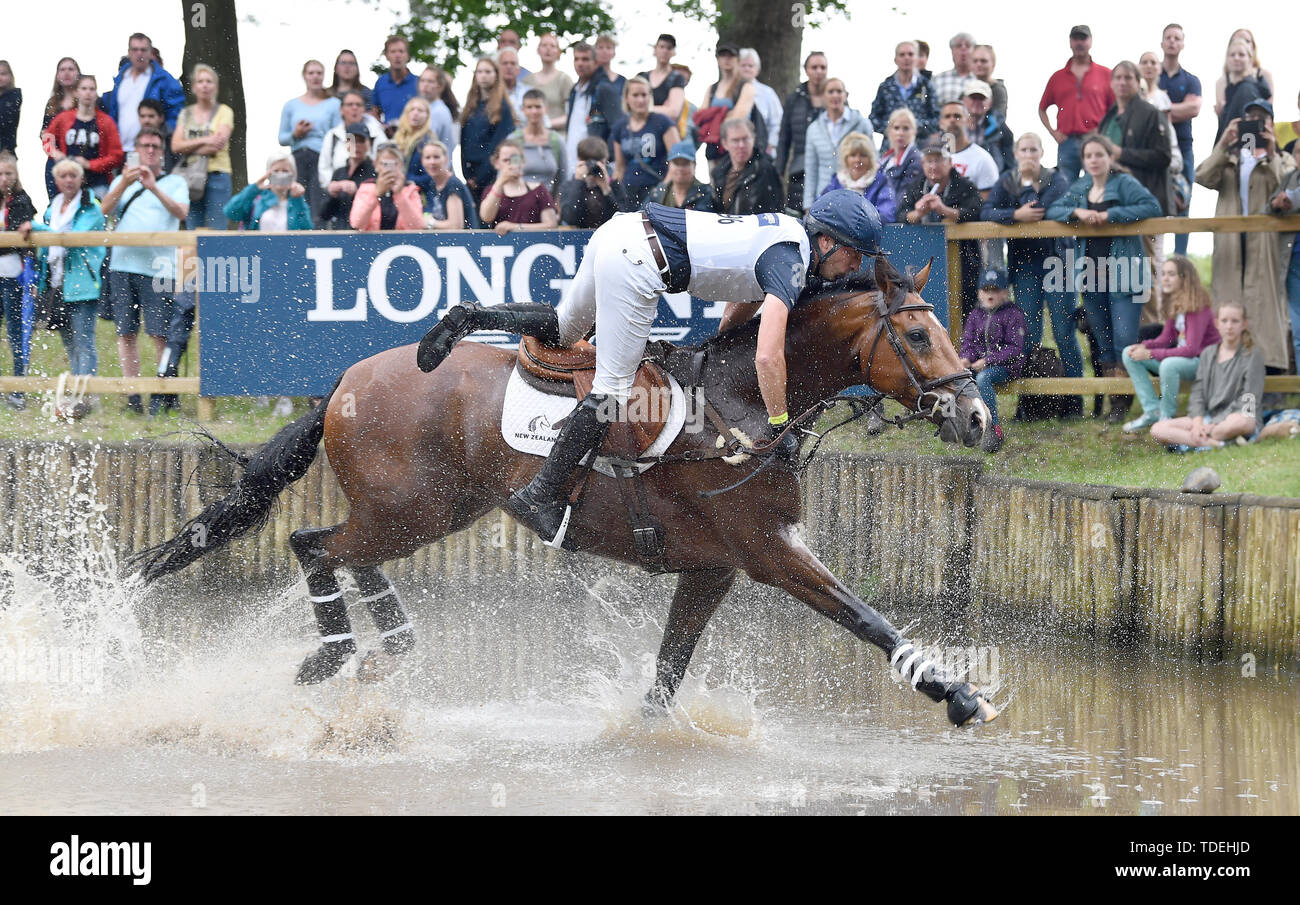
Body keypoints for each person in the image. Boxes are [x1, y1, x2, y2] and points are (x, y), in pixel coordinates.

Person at [458, 189, 885, 547]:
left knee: (564, 327)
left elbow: (741, 302)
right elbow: (768, 355)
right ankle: (542, 494)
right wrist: (779, 423)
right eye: (853, 254)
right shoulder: (793, 262)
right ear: (827, 241)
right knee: (613, 389)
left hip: (621, 231)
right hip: (641, 262)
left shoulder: (787, 237)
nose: (855, 267)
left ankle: (477, 316)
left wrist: (720, 345)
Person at [1047, 133, 1162, 422]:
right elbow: (1054, 209)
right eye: (1089, 156)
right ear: (1084, 161)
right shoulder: (1083, 185)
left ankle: (1126, 403)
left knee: (1125, 341)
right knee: (1104, 341)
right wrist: (1078, 211)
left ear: (1110, 157)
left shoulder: (1125, 183)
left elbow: (1151, 207)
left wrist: (1111, 214)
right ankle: (1114, 402)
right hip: (1091, 276)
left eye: (1099, 155)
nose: (1094, 160)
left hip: (1125, 275)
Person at [980, 132, 1083, 395]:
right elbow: (987, 211)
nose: (1028, 155)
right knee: (1029, 333)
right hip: (1025, 264)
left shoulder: (1055, 178)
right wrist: (1014, 214)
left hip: (1058, 262)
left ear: (1041, 153)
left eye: (1033, 150)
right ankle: (1030, 401)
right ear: (1015, 154)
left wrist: (1025, 189)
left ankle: (1074, 401)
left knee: (1064, 333)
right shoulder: (1006, 181)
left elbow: (1041, 210)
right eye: (1023, 150)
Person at [1196, 99, 1292, 375]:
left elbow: (1287, 187)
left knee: (1265, 305)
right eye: (1250, 117)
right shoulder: (1230, 159)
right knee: (1229, 300)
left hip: (1265, 245)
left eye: (1263, 119)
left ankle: (1270, 370)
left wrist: (1271, 154)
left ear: (1271, 125)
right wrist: (1224, 144)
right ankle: (1226, 369)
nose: (1256, 123)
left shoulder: (1280, 158)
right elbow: (1202, 176)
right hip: (1230, 243)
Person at [100, 127, 188, 416]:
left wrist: (153, 187)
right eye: (144, 145)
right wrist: (125, 183)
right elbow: (105, 209)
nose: (150, 150)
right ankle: (133, 395)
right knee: (126, 332)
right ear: (136, 150)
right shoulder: (123, 181)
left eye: (155, 145)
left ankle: (167, 390)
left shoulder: (175, 181)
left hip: (159, 267)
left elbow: (181, 212)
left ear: (162, 151)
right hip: (122, 265)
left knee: (159, 333)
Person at [1120, 255, 1221, 432]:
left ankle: (1166, 416)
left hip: (1204, 363)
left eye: (1171, 274)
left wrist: (1151, 354)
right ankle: (1152, 411)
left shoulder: (1198, 306)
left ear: (1185, 278)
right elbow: (1166, 339)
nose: (1165, 278)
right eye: (1163, 273)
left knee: (1168, 365)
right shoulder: (1175, 303)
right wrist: (1145, 346)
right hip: (1185, 361)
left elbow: (1191, 349)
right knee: (1129, 353)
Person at [33, 159, 106, 400]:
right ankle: (76, 394)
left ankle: (88, 396)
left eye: (72, 175)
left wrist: (36, 229)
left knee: (84, 340)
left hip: (82, 281)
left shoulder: (91, 206)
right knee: (69, 342)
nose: (68, 180)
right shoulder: (52, 208)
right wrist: (40, 281)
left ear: (80, 178)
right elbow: (45, 250)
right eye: (63, 176)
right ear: (56, 180)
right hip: (57, 281)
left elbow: (72, 237)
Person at [1150, 301, 1265, 450]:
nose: (1229, 326)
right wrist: (1198, 422)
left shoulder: (1252, 354)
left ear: (1244, 324)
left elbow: (1250, 397)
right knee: (1158, 429)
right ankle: (1216, 443)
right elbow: (1198, 392)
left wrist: (1216, 424)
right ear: (1217, 323)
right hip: (1209, 417)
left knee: (1244, 422)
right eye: (1224, 321)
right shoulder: (1208, 353)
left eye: (1235, 321)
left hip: (1236, 416)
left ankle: (1199, 439)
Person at [899, 135, 982, 317]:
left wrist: (944, 209)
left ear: (950, 162)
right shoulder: (915, 187)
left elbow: (975, 211)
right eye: (929, 161)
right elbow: (901, 215)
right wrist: (918, 213)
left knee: (964, 307)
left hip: (963, 260)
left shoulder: (964, 186)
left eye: (938, 160)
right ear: (922, 164)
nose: (933, 166)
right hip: (924, 256)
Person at [958, 267, 1025, 452]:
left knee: (982, 379)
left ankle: (993, 430)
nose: (990, 294)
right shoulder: (975, 315)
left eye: (995, 290)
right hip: (980, 365)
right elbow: (968, 342)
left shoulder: (1013, 314)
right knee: (959, 377)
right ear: (979, 293)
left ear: (1005, 293)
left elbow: (1015, 348)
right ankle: (968, 423)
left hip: (1005, 368)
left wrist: (989, 360)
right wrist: (966, 359)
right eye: (986, 290)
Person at [1038, 25, 1113, 183]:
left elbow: (1115, 110)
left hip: (1096, 140)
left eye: (1083, 38)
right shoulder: (1057, 77)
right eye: (1076, 38)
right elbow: (1042, 108)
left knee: (1096, 185)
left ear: (1090, 41)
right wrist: (1053, 132)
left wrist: (1104, 132)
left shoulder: (1106, 74)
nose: (1079, 42)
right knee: (1065, 186)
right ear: (1070, 42)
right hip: (1067, 143)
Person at [1099, 61, 1172, 215]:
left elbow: (1163, 156)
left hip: (1144, 200)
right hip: (1110, 201)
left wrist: (1122, 154)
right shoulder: (1108, 118)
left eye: (1128, 78)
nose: (1122, 82)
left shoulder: (1151, 114)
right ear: (1111, 83)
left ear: (1138, 83)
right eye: (1118, 78)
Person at [171, 64, 234, 229]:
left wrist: (189, 147)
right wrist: (205, 140)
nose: (205, 85)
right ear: (194, 87)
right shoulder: (186, 113)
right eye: (200, 81)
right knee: (193, 228)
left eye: (209, 81)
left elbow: (217, 145)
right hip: (191, 177)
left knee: (218, 227)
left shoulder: (224, 111)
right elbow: (176, 146)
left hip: (217, 175)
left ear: (216, 87)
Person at [278, 60, 341, 226]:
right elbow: (282, 138)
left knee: (318, 201)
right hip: (297, 158)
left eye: (319, 73)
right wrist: (296, 134)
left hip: (321, 158)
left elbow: (338, 134)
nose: (315, 77)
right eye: (311, 73)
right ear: (304, 76)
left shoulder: (333, 104)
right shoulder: (291, 105)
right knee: (297, 197)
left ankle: (317, 234)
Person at [1158, 23, 1202, 256]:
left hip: (1184, 149)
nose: (1173, 41)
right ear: (1162, 42)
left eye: (1177, 38)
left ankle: (1180, 258)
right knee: (1155, 204)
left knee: (1183, 203)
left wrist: (1162, 109)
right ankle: (1156, 260)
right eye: (1168, 37)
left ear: (1182, 43)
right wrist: (1177, 109)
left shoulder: (1191, 79)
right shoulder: (1152, 76)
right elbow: (1145, 107)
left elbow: (1194, 108)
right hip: (1155, 151)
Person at [43, 75, 124, 200]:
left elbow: (116, 156)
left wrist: (90, 164)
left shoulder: (106, 122)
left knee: (98, 216)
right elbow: (47, 138)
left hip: (98, 183)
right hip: (69, 182)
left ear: (96, 93)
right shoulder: (64, 118)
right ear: (76, 92)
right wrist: (56, 153)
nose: (88, 93)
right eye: (84, 88)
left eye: (92, 89)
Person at [102, 33, 185, 152]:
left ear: (150, 52)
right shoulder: (122, 78)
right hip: (121, 149)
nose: (139, 53)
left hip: (150, 151)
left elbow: (176, 115)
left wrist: (161, 137)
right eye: (135, 50)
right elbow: (115, 112)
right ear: (129, 52)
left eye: (143, 50)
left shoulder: (165, 80)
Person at [610, 77, 679, 208]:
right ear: (627, 98)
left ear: (650, 97)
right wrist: (613, 192)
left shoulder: (663, 122)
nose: (640, 100)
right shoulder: (620, 127)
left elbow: (677, 160)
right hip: (628, 192)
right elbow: (620, 167)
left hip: (656, 189)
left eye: (644, 95)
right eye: (635, 95)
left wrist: (663, 189)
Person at [802, 78, 870, 208]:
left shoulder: (862, 124)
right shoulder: (813, 129)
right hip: (823, 198)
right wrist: (808, 205)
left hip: (855, 196)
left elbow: (872, 161)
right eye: (830, 91)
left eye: (839, 91)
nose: (835, 96)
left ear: (845, 95)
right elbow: (811, 170)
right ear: (823, 96)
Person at [0, 151, 34, 408]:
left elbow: (23, 234)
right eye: (0, 174)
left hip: (13, 275)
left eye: (8, 173)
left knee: (15, 332)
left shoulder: (22, 200)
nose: (3, 178)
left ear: (16, 175)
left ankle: (18, 390)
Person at [776, 51, 828, 214]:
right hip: (800, 168)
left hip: (828, 167)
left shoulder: (835, 95)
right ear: (806, 70)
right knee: (798, 213)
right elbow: (784, 139)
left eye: (822, 67)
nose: (819, 71)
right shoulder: (794, 98)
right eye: (814, 67)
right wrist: (779, 172)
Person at [461, 57, 516, 201]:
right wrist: (467, 175)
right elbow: (464, 142)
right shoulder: (471, 107)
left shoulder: (502, 107)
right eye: (480, 72)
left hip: (491, 175)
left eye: (487, 71)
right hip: (471, 175)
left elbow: (498, 145)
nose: (483, 75)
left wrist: (481, 177)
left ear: (496, 75)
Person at [479, 139, 558, 235]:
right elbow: (486, 217)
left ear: (523, 161)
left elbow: (551, 225)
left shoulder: (539, 190)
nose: (510, 164)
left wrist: (515, 227)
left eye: (514, 159)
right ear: (497, 163)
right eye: (505, 160)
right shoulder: (491, 190)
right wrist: (500, 182)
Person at [700, 41, 762, 164]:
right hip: (714, 150)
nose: (726, 59)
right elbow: (701, 118)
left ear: (738, 60)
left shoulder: (746, 87)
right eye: (723, 56)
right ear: (718, 60)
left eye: (731, 56)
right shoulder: (712, 89)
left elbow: (738, 117)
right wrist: (725, 114)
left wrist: (714, 116)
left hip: (739, 148)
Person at [869, 41, 938, 148]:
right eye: (902, 54)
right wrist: (892, 129)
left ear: (916, 59)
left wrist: (916, 127)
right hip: (890, 150)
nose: (906, 58)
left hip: (919, 149)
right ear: (895, 59)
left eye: (910, 54)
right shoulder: (886, 87)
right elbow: (873, 118)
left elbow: (937, 119)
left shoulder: (927, 86)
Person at [317, 90, 385, 196]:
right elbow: (324, 166)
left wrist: (360, 186)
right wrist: (332, 185)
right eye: (350, 105)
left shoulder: (376, 133)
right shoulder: (332, 135)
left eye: (358, 105)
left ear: (364, 109)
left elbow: (385, 164)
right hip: (338, 195)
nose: (354, 108)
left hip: (369, 193)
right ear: (341, 110)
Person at [224, 151, 313, 230]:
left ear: (293, 175)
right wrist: (253, 189)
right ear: (268, 173)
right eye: (276, 171)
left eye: (285, 171)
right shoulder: (257, 199)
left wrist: (297, 200)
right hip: (257, 247)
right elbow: (231, 212)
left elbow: (307, 230)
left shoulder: (296, 201)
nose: (280, 174)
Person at [712, 118, 784, 215]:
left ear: (753, 139)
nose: (741, 145)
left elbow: (772, 211)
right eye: (735, 140)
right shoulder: (719, 172)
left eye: (745, 139)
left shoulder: (764, 168)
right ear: (725, 144)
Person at [819, 131, 895, 222]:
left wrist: (857, 222)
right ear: (846, 159)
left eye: (863, 155)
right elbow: (819, 210)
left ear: (870, 159)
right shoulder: (835, 183)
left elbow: (887, 214)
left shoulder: (880, 182)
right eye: (853, 155)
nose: (858, 160)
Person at [349, 141, 423, 231]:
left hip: (402, 244)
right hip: (371, 243)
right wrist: (376, 194)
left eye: (394, 164)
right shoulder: (366, 187)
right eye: (385, 164)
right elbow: (356, 223)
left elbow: (417, 226)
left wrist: (399, 195)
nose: (389, 168)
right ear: (376, 164)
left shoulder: (410, 189)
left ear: (402, 165)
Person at [1272, 141, 1299, 372]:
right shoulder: (1290, 177)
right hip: (1293, 262)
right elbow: (1266, 208)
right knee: (1298, 329)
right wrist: (1277, 204)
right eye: (1299, 151)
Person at [508, 89, 566, 196]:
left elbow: (563, 178)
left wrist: (559, 205)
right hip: (519, 201)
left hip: (548, 202)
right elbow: (506, 175)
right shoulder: (514, 140)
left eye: (538, 107)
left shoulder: (556, 141)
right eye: (529, 107)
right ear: (523, 110)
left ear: (546, 109)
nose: (534, 111)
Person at [321, 123, 376, 230]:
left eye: (361, 141)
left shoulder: (374, 171)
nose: (357, 145)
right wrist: (331, 194)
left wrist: (358, 190)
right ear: (346, 143)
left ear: (368, 144)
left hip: (365, 232)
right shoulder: (339, 173)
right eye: (352, 140)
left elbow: (379, 207)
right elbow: (324, 214)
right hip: (340, 231)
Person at [558, 137, 621, 227]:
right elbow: (570, 218)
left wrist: (607, 190)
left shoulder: (615, 185)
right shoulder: (569, 186)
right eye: (588, 162)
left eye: (598, 163)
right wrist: (578, 181)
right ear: (579, 159)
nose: (592, 167)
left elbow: (621, 219)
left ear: (605, 160)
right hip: (580, 236)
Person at [564, 42, 607, 174]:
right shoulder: (574, 90)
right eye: (576, 59)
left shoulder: (604, 89)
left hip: (594, 161)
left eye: (585, 59)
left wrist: (602, 159)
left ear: (595, 62)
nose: (580, 63)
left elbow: (616, 126)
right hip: (572, 161)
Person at [939, 102, 999, 196]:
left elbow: (987, 203)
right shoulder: (934, 157)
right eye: (947, 116)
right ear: (941, 123)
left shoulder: (983, 159)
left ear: (968, 121)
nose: (952, 120)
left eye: (957, 116)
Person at [1215, 40, 1269, 144]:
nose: (1236, 58)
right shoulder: (1229, 87)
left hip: (1242, 147)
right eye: (1232, 55)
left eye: (1241, 55)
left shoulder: (1248, 88)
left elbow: (1250, 125)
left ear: (1250, 59)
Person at [1214, 30, 1274, 122]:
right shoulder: (1222, 81)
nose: (1236, 58)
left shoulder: (1262, 76)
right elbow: (1222, 115)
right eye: (1237, 40)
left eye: (1247, 41)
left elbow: (1269, 108)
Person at [419, 139, 477, 229]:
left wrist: (430, 222)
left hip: (465, 241)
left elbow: (456, 226)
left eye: (436, 157)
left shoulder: (452, 184)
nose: (432, 162)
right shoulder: (433, 184)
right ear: (422, 161)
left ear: (446, 159)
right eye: (428, 157)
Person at [523, 34, 573, 134]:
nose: (548, 49)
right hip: (531, 138)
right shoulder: (527, 80)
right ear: (538, 50)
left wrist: (547, 123)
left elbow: (571, 114)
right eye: (544, 45)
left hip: (557, 138)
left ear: (558, 52)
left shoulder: (564, 80)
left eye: (552, 46)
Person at [644, 140, 713, 211]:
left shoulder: (707, 193)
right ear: (669, 165)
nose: (680, 168)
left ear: (694, 165)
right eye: (676, 163)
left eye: (685, 163)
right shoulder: (657, 194)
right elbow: (642, 216)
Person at [963, 80, 1013, 175]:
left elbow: (1010, 163)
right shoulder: (953, 125)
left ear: (990, 103)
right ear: (964, 101)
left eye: (981, 98)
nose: (977, 102)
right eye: (973, 97)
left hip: (992, 180)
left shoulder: (1001, 129)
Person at [738, 49, 781, 158]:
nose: (747, 68)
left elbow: (777, 122)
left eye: (750, 66)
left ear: (757, 70)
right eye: (743, 65)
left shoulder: (768, 93)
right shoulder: (729, 92)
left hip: (762, 152)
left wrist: (770, 146)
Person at [639, 34, 687, 127]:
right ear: (655, 50)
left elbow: (673, 112)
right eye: (661, 47)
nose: (665, 51)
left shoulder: (677, 78)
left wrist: (642, 108)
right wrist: (663, 109)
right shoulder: (642, 77)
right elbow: (629, 107)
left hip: (663, 130)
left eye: (669, 48)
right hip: (640, 128)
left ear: (673, 52)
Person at [880, 108, 923, 206]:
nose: (900, 133)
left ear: (914, 131)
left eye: (906, 128)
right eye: (896, 128)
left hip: (894, 216)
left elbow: (903, 198)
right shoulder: (885, 159)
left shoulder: (915, 160)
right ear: (889, 131)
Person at [373, 35, 417, 130]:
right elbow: (374, 111)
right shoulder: (381, 83)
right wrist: (381, 127)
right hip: (389, 139)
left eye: (401, 51)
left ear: (407, 55)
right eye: (393, 51)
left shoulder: (419, 83)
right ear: (387, 56)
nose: (397, 55)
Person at [416, 67, 459, 164]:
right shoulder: (428, 108)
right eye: (422, 81)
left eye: (430, 81)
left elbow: (427, 144)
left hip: (434, 168)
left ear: (440, 86)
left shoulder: (438, 111)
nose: (425, 85)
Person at [932, 33, 976, 107]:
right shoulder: (937, 79)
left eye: (968, 46)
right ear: (952, 51)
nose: (963, 49)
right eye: (959, 46)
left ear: (974, 51)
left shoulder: (980, 80)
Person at [391, 96, 433, 170]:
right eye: (412, 109)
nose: (415, 113)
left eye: (420, 110)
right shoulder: (399, 136)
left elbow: (428, 174)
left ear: (427, 116)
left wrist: (407, 180)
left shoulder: (428, 140)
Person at [970, 45, 1006, 119]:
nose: (979, 64)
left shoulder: (997, 90)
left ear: (993, 64)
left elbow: (997, 120)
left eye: (983, 61)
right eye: (975, 61)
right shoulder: (965, 88)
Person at [497, 47, 528, 118]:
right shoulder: (488, 93)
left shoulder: (528, 92)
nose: (509, 67)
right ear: (497, 68)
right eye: (505, 63)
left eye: (513, 63)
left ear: (519, 69)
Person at [0, 61, 19, 155]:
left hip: (6, 150)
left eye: (3, 74)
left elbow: (6, 120)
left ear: (10, 76)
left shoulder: (15, 95)